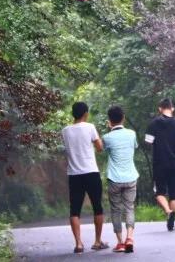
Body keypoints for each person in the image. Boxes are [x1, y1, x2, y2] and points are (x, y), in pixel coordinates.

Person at [61, 102, 109, 253]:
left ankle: (79, 244)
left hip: (74, 174)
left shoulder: (65, 131)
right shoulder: (90, 127)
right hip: (91, 172)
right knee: (97, 207)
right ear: (85, 114)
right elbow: (100, 148)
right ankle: (97, 241)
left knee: (74, 210)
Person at [144, 98, 175, 231]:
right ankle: (172, 219)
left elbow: (148, 142)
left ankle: (168, 211)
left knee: (159, 192)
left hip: (159, 162)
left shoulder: (153, 124)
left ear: (160, 108)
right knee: (174, 193)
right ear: (172, 108)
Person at [102, 106, 139, 253]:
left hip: (114, 178)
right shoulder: (132, 134)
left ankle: (120, 243)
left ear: (109, 120)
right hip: (130, 177)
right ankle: (130, 237)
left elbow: (103, 149)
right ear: (123, 118)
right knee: (129, 208)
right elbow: (133, 148)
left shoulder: (107, 137)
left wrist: (109, 130)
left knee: (116, 210)